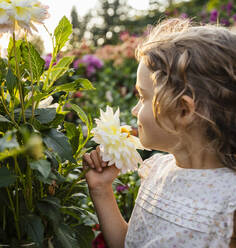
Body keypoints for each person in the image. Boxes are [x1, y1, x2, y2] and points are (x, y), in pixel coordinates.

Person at [83, 18, 236, 248]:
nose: (135, 109)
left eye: (143, 97)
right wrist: (101, 190)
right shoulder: (156, 172)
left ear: (183, 111)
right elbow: (132, 243)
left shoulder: (230, 202)